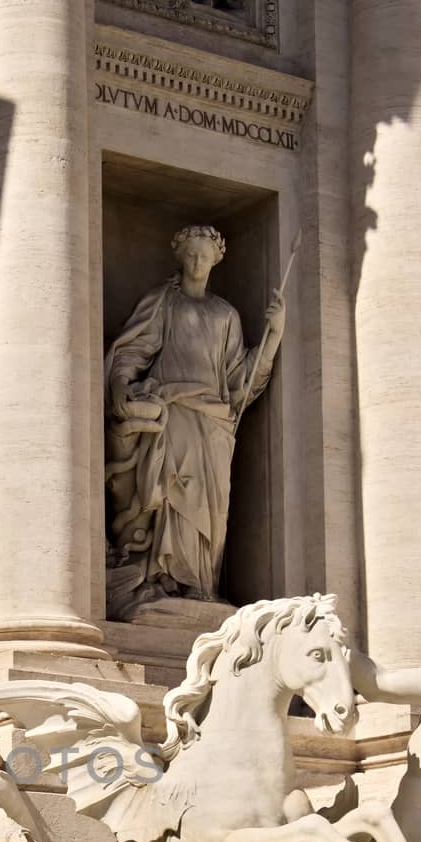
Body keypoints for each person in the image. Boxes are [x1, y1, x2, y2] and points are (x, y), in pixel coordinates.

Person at [105, 224, 285, 613]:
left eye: (205, 256)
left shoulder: (226, 315)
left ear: (216, 260)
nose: (197, 262)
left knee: (211, 508)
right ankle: (163, 578)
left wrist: (272, 337)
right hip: (175, 415)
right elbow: (132, 351)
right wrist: (120, 384)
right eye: (191, 254)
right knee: (171, 496)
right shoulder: (162, 303)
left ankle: (201, 583)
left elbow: (240, 378)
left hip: (214, 422)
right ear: (180, 256)